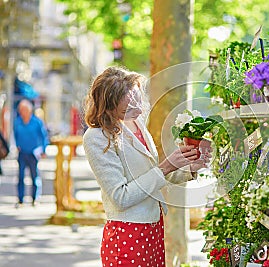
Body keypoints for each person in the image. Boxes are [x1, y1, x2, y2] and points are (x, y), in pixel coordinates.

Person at [82, 66, 210, 267]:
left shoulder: (136, 123)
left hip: (153, 228)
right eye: (127, 108)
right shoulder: (96, 137)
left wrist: (191, 167)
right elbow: (120, 197)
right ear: (108, 107)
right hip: (128, 234)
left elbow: (152, 177)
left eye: (138, 100)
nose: (139, 110)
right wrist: (166, 166)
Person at [14, 99, 49, 207]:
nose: (22, 111)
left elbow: (44, 137)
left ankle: (35, 198)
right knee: (20, 176)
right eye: (21, 109)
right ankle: (20, 199)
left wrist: (43, 149)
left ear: (29, 110)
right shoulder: (17, 121)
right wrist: (17, 145)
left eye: (24, 109)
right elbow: (15, 135)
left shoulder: (37, 122)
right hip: (22, 153)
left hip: (34, 153)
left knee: (34, 176)